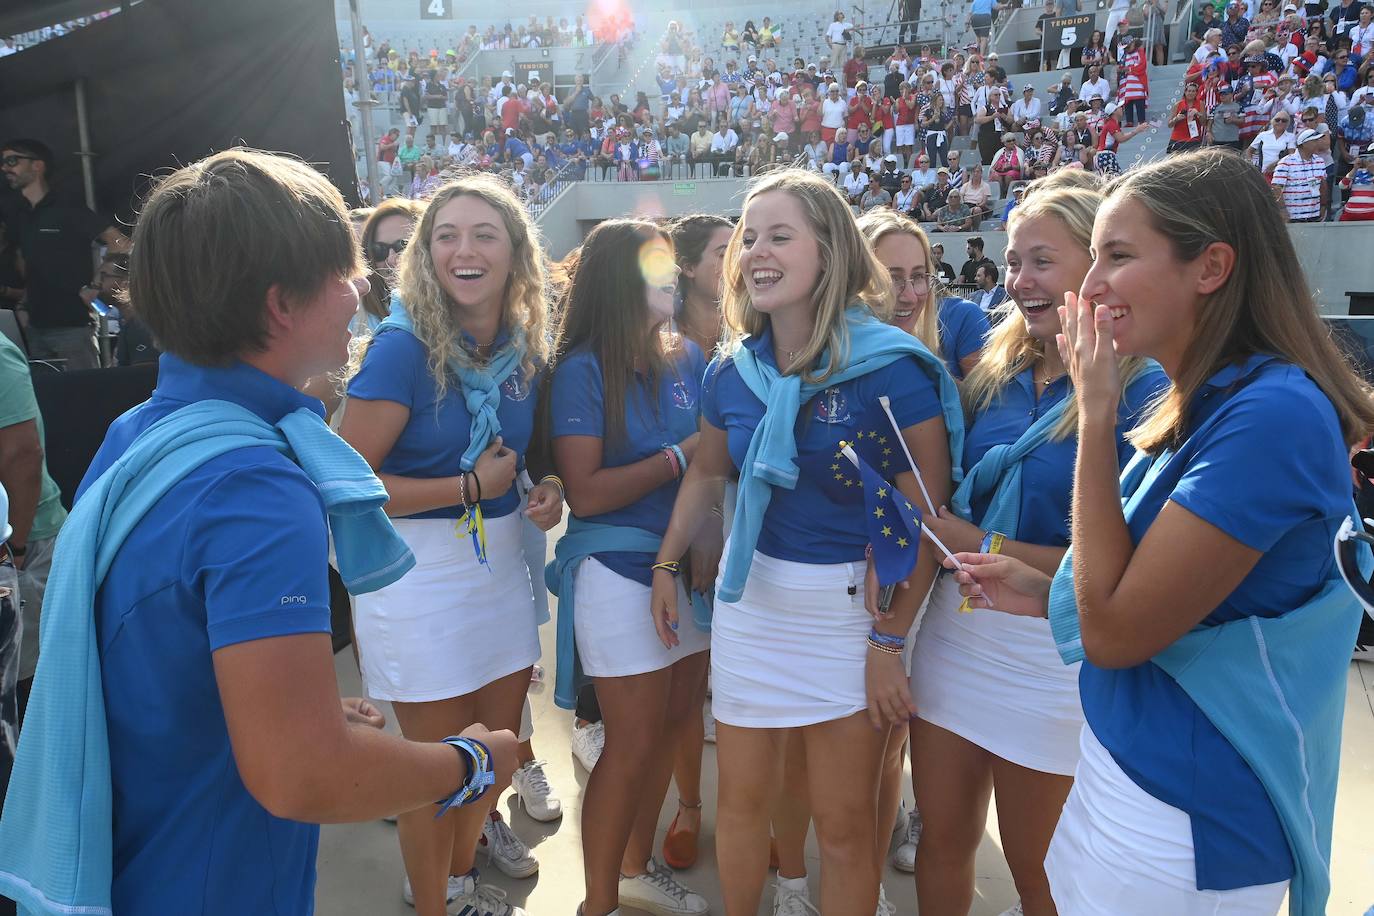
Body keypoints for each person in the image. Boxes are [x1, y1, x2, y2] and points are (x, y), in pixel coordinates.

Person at [0, 149, 522, 916]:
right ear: (282, 305)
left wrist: (291, 702)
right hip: (212, 877)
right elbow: (302, 776)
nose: (359, 293)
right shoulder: (257, 487)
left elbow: (156, 657)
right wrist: (473, 761)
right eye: (345, 272)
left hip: (137, 854)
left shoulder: (140, 431)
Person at [952, 146, 1374, 915]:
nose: (1091, 285)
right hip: (1129, 777)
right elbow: (1167, 600)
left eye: (1117, 255)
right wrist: (1048, 587)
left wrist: (1096, 408)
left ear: (1210, 268)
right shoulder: (1211, 397)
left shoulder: (1272, 414)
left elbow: (1114, 634)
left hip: (1190, 819)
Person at [651, 169, 961, 916]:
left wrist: (889, 641)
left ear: (829, 250)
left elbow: (928, 520)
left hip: (847, 615)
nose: (755, 250)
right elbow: (706, 475)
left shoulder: (893, 369)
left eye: (778, 235)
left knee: (847, 826)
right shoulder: (733, 366)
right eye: (748, 238)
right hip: (751, 601)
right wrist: (667, 561)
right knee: (743, 808)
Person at [917, 174, 1168, 916]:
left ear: (1092, 267)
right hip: (954, 641)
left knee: (1039, 870)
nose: (1017, 280)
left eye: (1040, 261)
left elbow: (1128, 571)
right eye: (1012, 261)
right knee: (941, 842)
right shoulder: (987, 374)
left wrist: (988, 544)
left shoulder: (1145, 389)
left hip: (1050, 659)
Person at [340, 173, 564, 916]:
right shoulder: (400, 350)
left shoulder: (523, 345)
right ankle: (439, 896)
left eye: (483, 235)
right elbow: (350, 481)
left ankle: (462, 865)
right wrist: (466, 489)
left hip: (497, 567)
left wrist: (540, 485)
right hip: (417, 581)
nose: (462, 251)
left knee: (495, 754)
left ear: (515, 253)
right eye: (446, 236)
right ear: (424, 254)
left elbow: (519, 452)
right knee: (434, 772)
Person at [548, 221, 711, 916]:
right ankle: (598, 904)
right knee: (632, 742)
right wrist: (680, 456)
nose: (671, 277)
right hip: (617, 571)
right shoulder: (582, 369)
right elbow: (585, 491)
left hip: (686, 571)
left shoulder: (691, 357)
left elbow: (715, 467)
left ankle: (636, 868)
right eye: (656, 267)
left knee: (675, 723)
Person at [0, 139, 130, 370]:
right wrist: (24, 304)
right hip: (34, 327)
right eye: (3, 162)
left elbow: (119, 242)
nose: (5, 168)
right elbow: (27, 260)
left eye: (12, 160)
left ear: (37, 166)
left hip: (72, 326)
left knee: (83, 397)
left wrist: (96, 285)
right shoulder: (19, 213)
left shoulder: (66, 206)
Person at [1271, 127, 1330, 220]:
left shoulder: (1320, 161)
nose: (1318, 143)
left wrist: (1323, 205)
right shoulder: (1286, 162)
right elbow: (1276, 188)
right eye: (1314, 141)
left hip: (1314, 214)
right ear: (1304, 143)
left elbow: (1323, 185)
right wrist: (1282, 211)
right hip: (1292, 216)